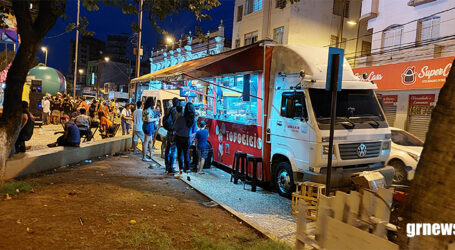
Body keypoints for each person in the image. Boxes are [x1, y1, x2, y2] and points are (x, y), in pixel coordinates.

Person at [173, 102, 197, 178]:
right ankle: (188, 171)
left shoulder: (180, 117)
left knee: (180, 154)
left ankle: (181, 171)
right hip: (187, 138)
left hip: (179, 137)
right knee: (186, 154)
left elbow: (175, 128)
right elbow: (194, 131)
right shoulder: (194, 120)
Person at [163, 97, 180, 174]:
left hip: (168, 131)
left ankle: (167, 166)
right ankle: (171, 167)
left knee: (167, 149)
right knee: (173, 150)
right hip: (174, 132)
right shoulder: (176, 111)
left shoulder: (169, 109)